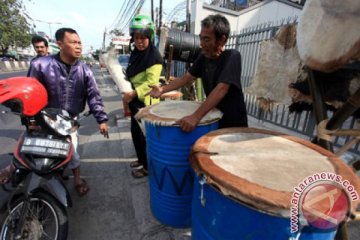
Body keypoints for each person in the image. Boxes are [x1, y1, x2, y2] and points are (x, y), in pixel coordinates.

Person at [0, 28, 109, 196]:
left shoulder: (85, 70)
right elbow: (28, 93)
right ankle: (11, 168)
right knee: (28, 146)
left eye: (80, 42)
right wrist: (30, 120)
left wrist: (101, 120)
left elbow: (94, 96)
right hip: (43, 116)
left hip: (68, 121)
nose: (78, 46)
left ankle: (78, 179)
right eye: (73, 42)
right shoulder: (40, 65)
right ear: (60, 44)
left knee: (72, 152)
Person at [149, 14, 248, 131]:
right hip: (214, 118)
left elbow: (221, 88)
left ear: (222, 39)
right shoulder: (203, 58)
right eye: (201, 38)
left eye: (206, 39)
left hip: (234, 124)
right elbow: (185, 79)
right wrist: (162, 90)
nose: (201, 44)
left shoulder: (232, 56)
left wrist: (195, 117)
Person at [124, 15, 163, 178]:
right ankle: (141, 159)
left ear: (150, 37)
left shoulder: (154, 57)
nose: (139, 41)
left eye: (143, 38)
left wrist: (132, 92)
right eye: (136, 37)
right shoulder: (135, 54)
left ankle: (147, 167)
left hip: (146, 103)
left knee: (144, 136)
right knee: (135, 133)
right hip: (134, 101)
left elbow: (151, 83)